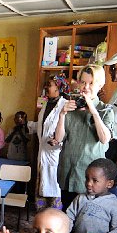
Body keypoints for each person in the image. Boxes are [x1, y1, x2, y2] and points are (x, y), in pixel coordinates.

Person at [55, 65, 115, 207]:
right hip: (68, 171)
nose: (86, 87)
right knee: (67, 217)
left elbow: (104, 138)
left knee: (86, 221)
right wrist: (62, 114)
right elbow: (58, 139)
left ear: (100, 85)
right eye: (83, 82)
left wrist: (93, 112)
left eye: (91, 83)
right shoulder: (71, 108)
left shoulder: (105, 110)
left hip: (91, 178)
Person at [66, 158, 117, 233]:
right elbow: (68, 218)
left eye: (95, 180)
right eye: (87, 179)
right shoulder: (80, 198)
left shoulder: (115, 205)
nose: (89, 183)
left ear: (109, 184)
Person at [33, 74, 69, 209]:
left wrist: (59, 140)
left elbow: (67, 129)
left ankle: (54, 222)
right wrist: (28, 125)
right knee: (41, 187)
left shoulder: (64, 105)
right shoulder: (46, 104)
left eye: (49, 85)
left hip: (55, 154)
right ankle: (41, 219)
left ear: (58, 87)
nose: (46, 88)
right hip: (43, 151)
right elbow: (41, 126)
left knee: (54, 188)